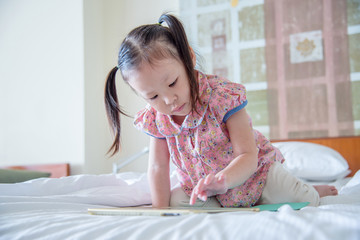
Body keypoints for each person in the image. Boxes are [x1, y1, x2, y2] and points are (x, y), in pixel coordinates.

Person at [104, 13, 338, 208]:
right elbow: (157, 167)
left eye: (173, 82)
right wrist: (159, 210)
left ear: (189, 59)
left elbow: (247, 155)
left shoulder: (222, 97)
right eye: (153, 96)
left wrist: (224, 179)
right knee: (176, 203)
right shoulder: (157, 119)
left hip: (256, 177)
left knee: (302, 199)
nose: (169, 100)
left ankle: (312, 189)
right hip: (210, 191)